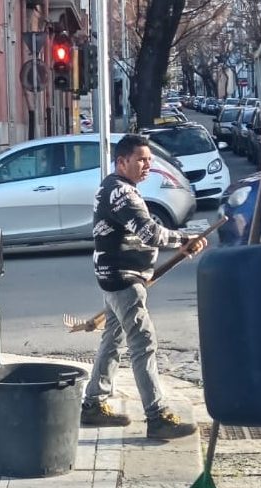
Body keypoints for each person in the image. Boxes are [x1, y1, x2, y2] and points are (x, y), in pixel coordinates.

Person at [80, 134, 207, 439]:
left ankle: (93, 404)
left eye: (149, 160)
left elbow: (139, 234)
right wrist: (183, 240)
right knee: (143, 343)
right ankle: (158, 415)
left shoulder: (115, 188)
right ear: (122, 161)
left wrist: (179, 243)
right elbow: (149, 233)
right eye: (140, 159)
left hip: (114, 276)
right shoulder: (122, 193)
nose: (147, 165)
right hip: (123, 279)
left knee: (112, 339)